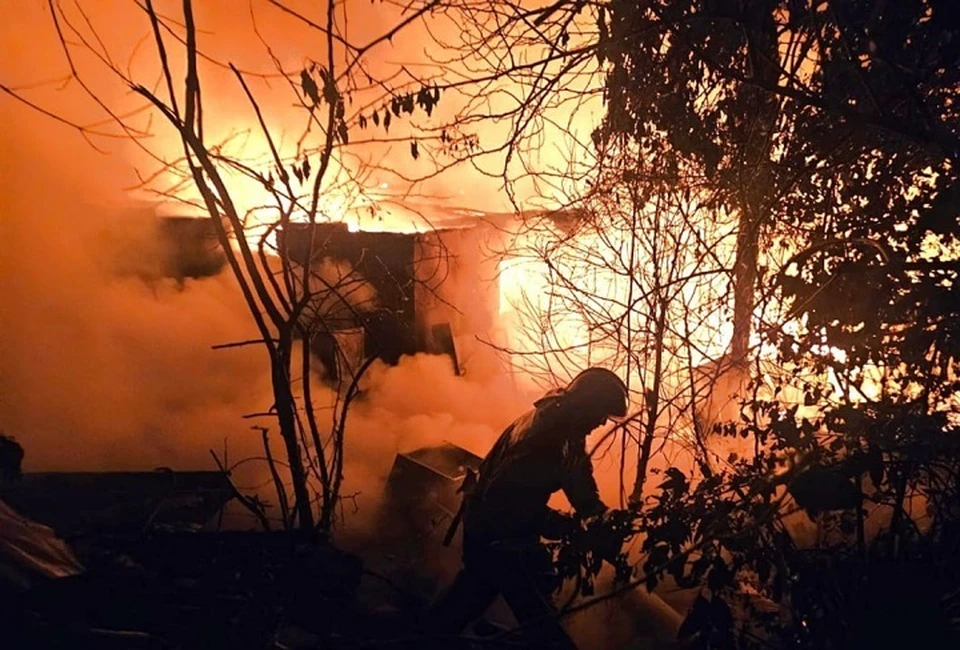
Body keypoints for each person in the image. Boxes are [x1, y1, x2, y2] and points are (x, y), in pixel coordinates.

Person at [424, 367, 629, 649]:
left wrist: (597, 513)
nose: (602, 424)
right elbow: (511, 509)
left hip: (495, 532)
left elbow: (577, 472)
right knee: (539, 623)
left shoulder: (563, 423)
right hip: (498, 539)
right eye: (600, 415)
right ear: (586, 406)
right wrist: (572, 529)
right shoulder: (544, 442)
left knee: (469, 597)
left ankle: (422, 636)